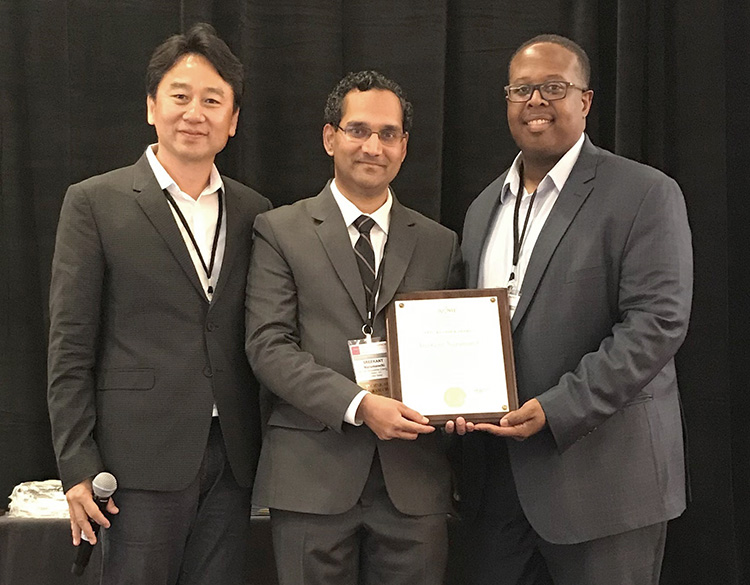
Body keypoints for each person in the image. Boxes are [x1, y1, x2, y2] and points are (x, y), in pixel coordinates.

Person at [451, 34, 693, 585]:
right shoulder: (482, 207)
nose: (535, 101)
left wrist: (558, 408)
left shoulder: (644, 193)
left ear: (585, 101)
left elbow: (656, 324)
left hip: (604, 487)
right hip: (498, 492)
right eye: (521, 90)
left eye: (553, 88)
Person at [47, 23, 270, 585]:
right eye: (180, 95)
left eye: (213, 100)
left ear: (233, 120)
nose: (196, 112)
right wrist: (77, 464)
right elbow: (69, 344)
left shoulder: (255, 211)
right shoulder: (95, 202)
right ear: (152, 107)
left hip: (234, 457)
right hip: (134, 461)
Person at [245, 70, 463, 585]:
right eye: (358, 130)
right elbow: (268, 346)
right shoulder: (280, 229)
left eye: (388, 134)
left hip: (414, 481)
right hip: (310, 478)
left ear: (404, 146)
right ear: (330, 137)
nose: (373, 146)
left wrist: (461, 402)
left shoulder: (439, 242)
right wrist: (361, 405)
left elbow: (453, 351)